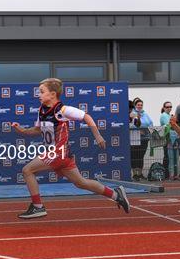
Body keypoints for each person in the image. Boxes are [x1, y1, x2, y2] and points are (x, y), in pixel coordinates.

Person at [11, 78, 130, 219]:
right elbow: (37, 130)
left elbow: (87, 117)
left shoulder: (62, 110)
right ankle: (117, 195)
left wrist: (98, 136)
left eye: (42, 92)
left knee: (27, 170)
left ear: (53, 94)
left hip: (59, 152)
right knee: (81, 183)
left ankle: (38, 207)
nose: (39, 95)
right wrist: (22, 131)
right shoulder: (42, 110)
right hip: (61, 154)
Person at [130, 98, 153, 181]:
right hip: (134, 138)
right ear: (135, 106)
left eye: (141, 105)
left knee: (141, 156)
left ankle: (140, 174)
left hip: (144, 138)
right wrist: (139, 130)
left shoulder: (145, 114)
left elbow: (150, 123)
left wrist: (147, 129)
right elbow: (131, 125)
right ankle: (134, 174)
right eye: (138, 105)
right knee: (134, 156)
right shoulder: (132, 114)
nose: (140, 106)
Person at [160, 101, 178, 180]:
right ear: (164, 108)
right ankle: (170, 174)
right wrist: (174, 124)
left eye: (170, 107)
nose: (169, 108)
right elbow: (170, 125)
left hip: (173, 138)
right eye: (167, 107)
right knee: (170, 157)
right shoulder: (163, 115)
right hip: (168, 139)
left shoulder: (170, 115)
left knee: (174, 157)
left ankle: (174, 174)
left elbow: (173, 125)